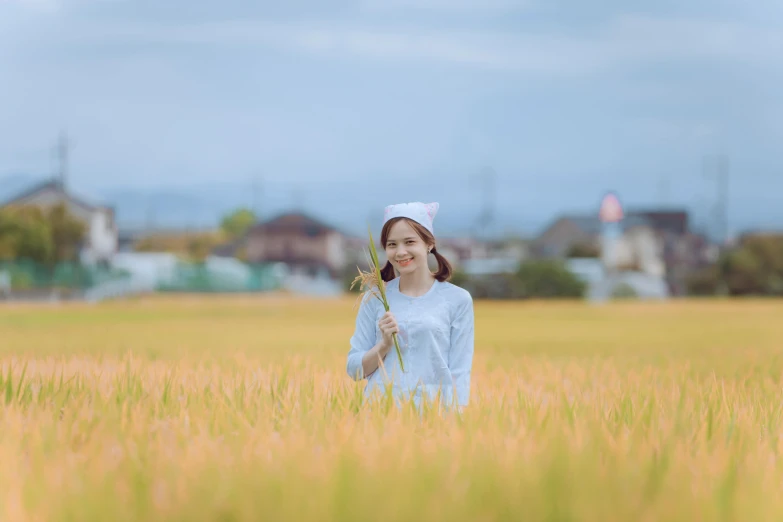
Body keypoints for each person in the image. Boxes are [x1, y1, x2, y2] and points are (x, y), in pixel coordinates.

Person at [346, 201, 475, 411]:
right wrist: (384, 345)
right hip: (379, 416)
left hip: (433, 417)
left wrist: (456, 424)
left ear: (429, 244)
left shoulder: (458, 299)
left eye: (409, 242)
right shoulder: (375, 298)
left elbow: (460, 373)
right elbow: (354, 370)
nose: (401, 252)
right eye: (392, 244)